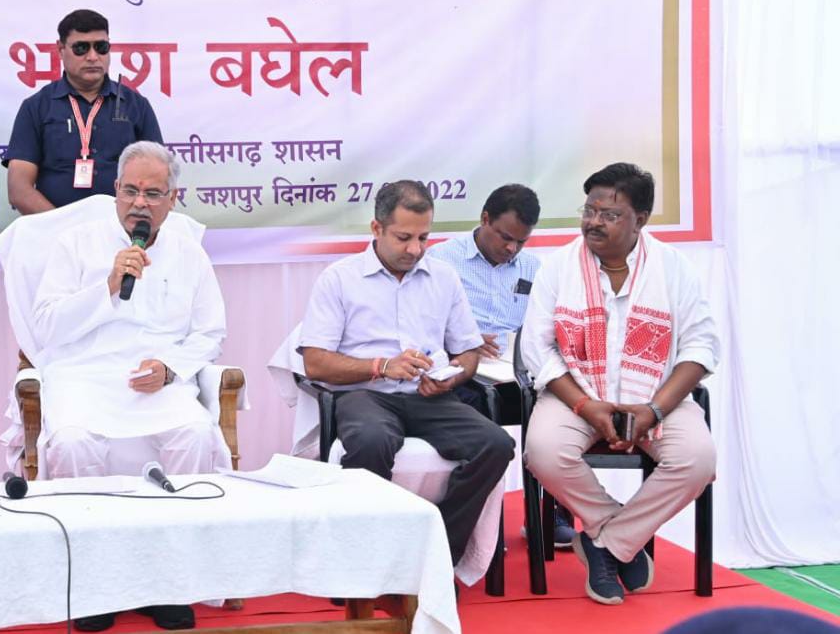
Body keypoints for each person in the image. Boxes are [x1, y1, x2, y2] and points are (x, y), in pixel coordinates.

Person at [32, 141, 227, 630]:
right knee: (72, 442)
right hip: (85, 375)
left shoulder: (188, 252)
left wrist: (170, 368)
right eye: (131, 191)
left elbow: (210, 332)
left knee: (195, 434)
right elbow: (47, 327)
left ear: (173, 199)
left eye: (153, 193)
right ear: (115, 189)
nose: (140, 203)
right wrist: (107, 284)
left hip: (157, 383)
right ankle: (92, 582)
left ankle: (167, 580)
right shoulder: (75, 243)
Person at [521, 163, 718, 605]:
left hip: (655, 397)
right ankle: (614, 530)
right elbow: (537, 348)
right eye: (589, 210)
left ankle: (606, 545)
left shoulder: (673, 268)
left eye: (609, 214)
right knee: (544, 452)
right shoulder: (559, 267)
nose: (593, 222)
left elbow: (701, 347)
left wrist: (656, 409)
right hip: (576, 394)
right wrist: (584, 406)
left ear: (640, 220)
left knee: (698, 459)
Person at [297, 180, 515, 570]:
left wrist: (453, 376)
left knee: (496, 444)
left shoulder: (443, 277)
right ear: (376, 228)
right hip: (364, 395)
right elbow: (315, 362)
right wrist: (381, 366)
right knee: (371, 440)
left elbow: (468, 351)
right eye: (403, 238)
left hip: (430, 396)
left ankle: (435, 556)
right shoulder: (340, 278)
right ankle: (365, 562)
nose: (415, 249)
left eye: (423, 238)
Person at [426, 183, 575, 548]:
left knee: (562, 409)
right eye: (505, 238)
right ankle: (483, 524)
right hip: (465, 373)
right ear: (484, 219)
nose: (511, 249)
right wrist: (462, 337)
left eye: (521, 242)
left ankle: (552, 512)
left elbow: (548, 324)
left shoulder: (534, 268)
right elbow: (422, 322)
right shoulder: (441, 260)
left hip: (518, 372)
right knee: (477, 414)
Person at [4, 8, 163, 214]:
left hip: (122, 227)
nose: (93, 57)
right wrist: (67, 227)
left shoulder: (136, 105)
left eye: (101, 47)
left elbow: (158, 178)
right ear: (60, 49)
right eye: (81, 48)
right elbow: (19, 190)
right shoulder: (36, 107)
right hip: (55, 229)